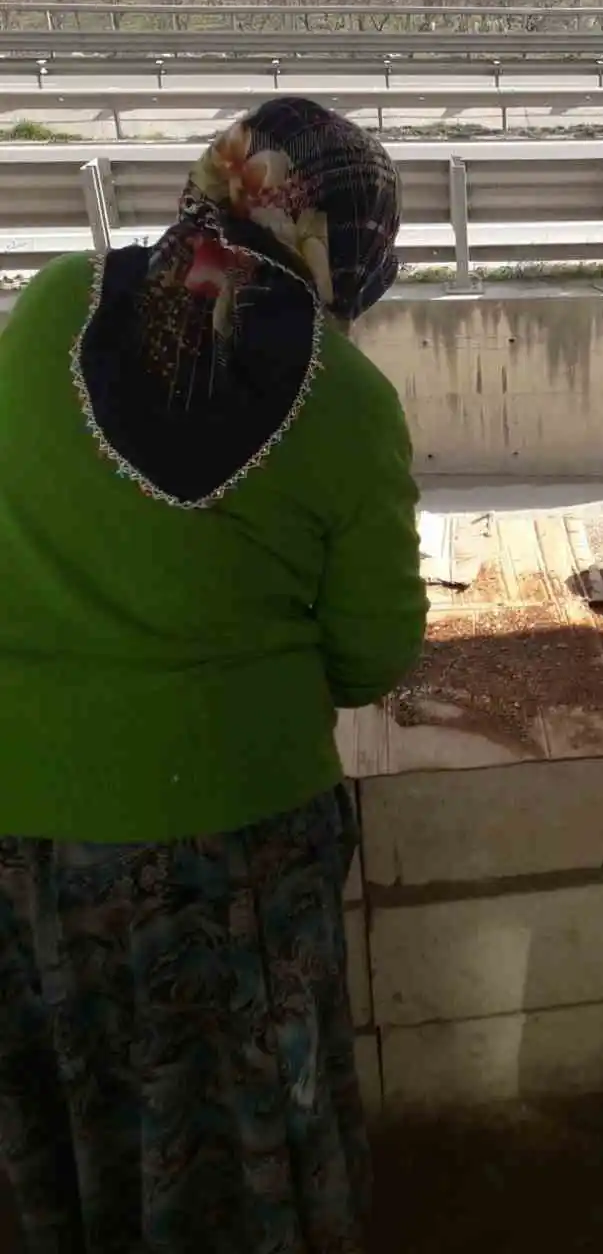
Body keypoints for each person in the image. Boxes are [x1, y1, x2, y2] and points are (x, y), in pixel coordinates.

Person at [0, 98, 427, 1253]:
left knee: (79, 1097)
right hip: (235, 841)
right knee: (240, 1129)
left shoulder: (47, 307)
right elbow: (373, 655)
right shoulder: (347, 398)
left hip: (27, 821)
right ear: (351, 244)